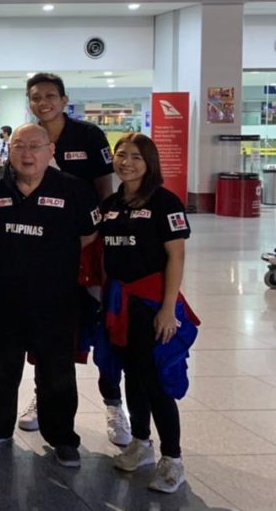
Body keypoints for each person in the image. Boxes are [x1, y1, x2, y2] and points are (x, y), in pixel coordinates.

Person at [0, 124, 99, 468]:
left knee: (56, 373)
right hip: (4, 300)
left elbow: (89, 236)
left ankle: (62, 438)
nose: (27, 154)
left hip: (54, 301)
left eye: (35, 147)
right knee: (2, 369)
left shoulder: (74, 190)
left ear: (50, 150)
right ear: (9, 151)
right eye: (19, 147)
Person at [24, 73, 125, 445]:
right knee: (49, 332)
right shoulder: (29, 137)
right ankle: (43, 398)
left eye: (50, 95)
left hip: (88, 245)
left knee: (101, 328)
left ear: (64, 100)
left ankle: (114, 406)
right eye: (36, 97)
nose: (43, 102)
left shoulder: (89, 136)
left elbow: (104, 189)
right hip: (44, 253)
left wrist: (91, 238)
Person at [100, 134, 197, 494]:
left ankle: (173, 459)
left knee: (156, 381)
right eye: (121, 155)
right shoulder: (110, 203)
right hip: (118, 303)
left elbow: (176, 256)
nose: (127, 162)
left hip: (152, 303)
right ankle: (141, 442)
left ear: (150, 162)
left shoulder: (164, 202)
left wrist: (168, 308)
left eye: (136, 157)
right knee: (131, 375)